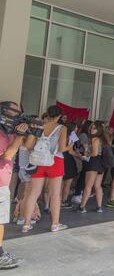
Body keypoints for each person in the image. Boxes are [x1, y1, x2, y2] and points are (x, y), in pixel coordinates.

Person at [23, 105, 70, 233]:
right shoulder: (62, 128)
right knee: (55, 194)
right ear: (59, 115)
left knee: (33, 193)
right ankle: (55, 224)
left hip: (38, 161)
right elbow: (61, 148)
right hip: (55, 161)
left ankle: (26, 224)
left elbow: (29, 146)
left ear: (48, 114)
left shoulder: (39, 126)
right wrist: (69, 146)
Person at [0, 101, 35, 269]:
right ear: (4, 112)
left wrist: (31, 131)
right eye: (16, 112)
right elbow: (7, 155)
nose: (19, 115)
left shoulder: (9, 131)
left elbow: (25, 146)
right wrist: (20, 134)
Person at [78, 122, 105, 213]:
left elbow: (94, 153)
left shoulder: (94, 139)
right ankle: (99, 207)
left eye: (94, 128)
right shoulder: (100, 139)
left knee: (88, 186)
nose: (92, 129)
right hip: (100, 163)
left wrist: (86, 154)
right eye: (91, 128)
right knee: (97, 186)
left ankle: (82, 206)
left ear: (99, 130)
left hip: (93, 162)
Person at [61, 122, 82, 208]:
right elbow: (70, 151)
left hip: (60, 158)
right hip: (68, 160)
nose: (77, 129)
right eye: (76, 127)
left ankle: (57, 200)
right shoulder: (72, 136)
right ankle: (64, 201)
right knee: (68, 182)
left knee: (61, 182)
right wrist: (80, 156)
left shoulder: (62, 135)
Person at [71, 120, 92, 204]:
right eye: (91, 127)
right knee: (81, 176)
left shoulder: (87, 135)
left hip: (83, 157)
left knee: (83, 176)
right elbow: (85, 147)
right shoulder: (83, 135)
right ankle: (77, 194)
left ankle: (79, 193)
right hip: (81, 157)